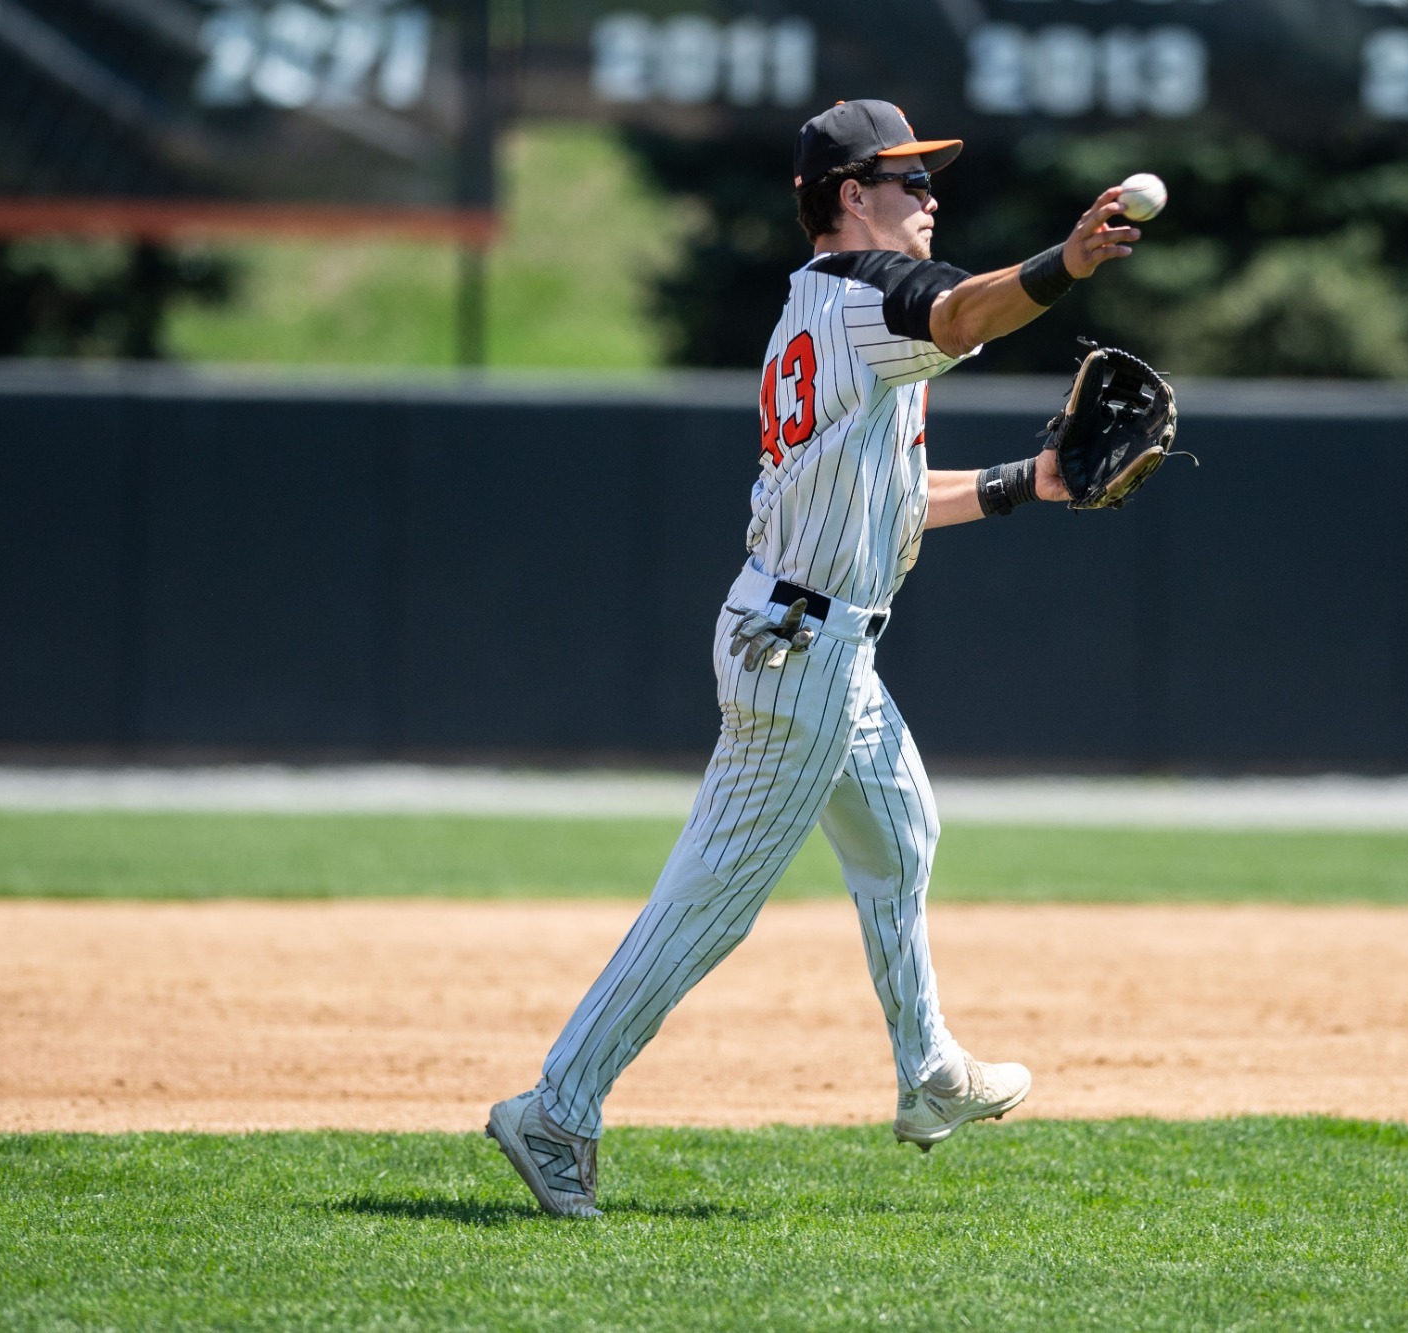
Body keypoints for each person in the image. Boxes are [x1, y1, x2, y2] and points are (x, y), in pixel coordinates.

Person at [486, 99, 1142, 1218]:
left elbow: (889, 500)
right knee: (709, 903)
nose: (929, 197)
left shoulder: (832, 314)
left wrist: (1023, 483)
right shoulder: (863, 297)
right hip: (800, 652)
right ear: (849, 194)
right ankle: (556, 1109)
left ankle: (930, 1072)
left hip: (818, 640)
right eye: (906, 180)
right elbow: (964, 316)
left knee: (901, 837)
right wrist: (1066, 264)